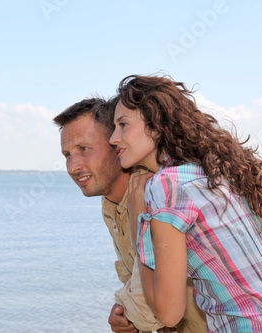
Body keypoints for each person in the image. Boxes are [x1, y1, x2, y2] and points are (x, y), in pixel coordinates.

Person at [108, 74, 262, 332]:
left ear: (156, 124)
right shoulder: (218, 170)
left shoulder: (167, 185)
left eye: (123, 125)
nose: (113, 138)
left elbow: (168, 313)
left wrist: (138, 217)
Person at [53, 98, 207, 333]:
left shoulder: (153, 193)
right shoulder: (111, 203)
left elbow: (147, 311)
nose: (73, 166)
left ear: (117, 144)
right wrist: (125, 312)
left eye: (84, 149)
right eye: (67, 155)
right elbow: (130, 277)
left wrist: (126, 312)